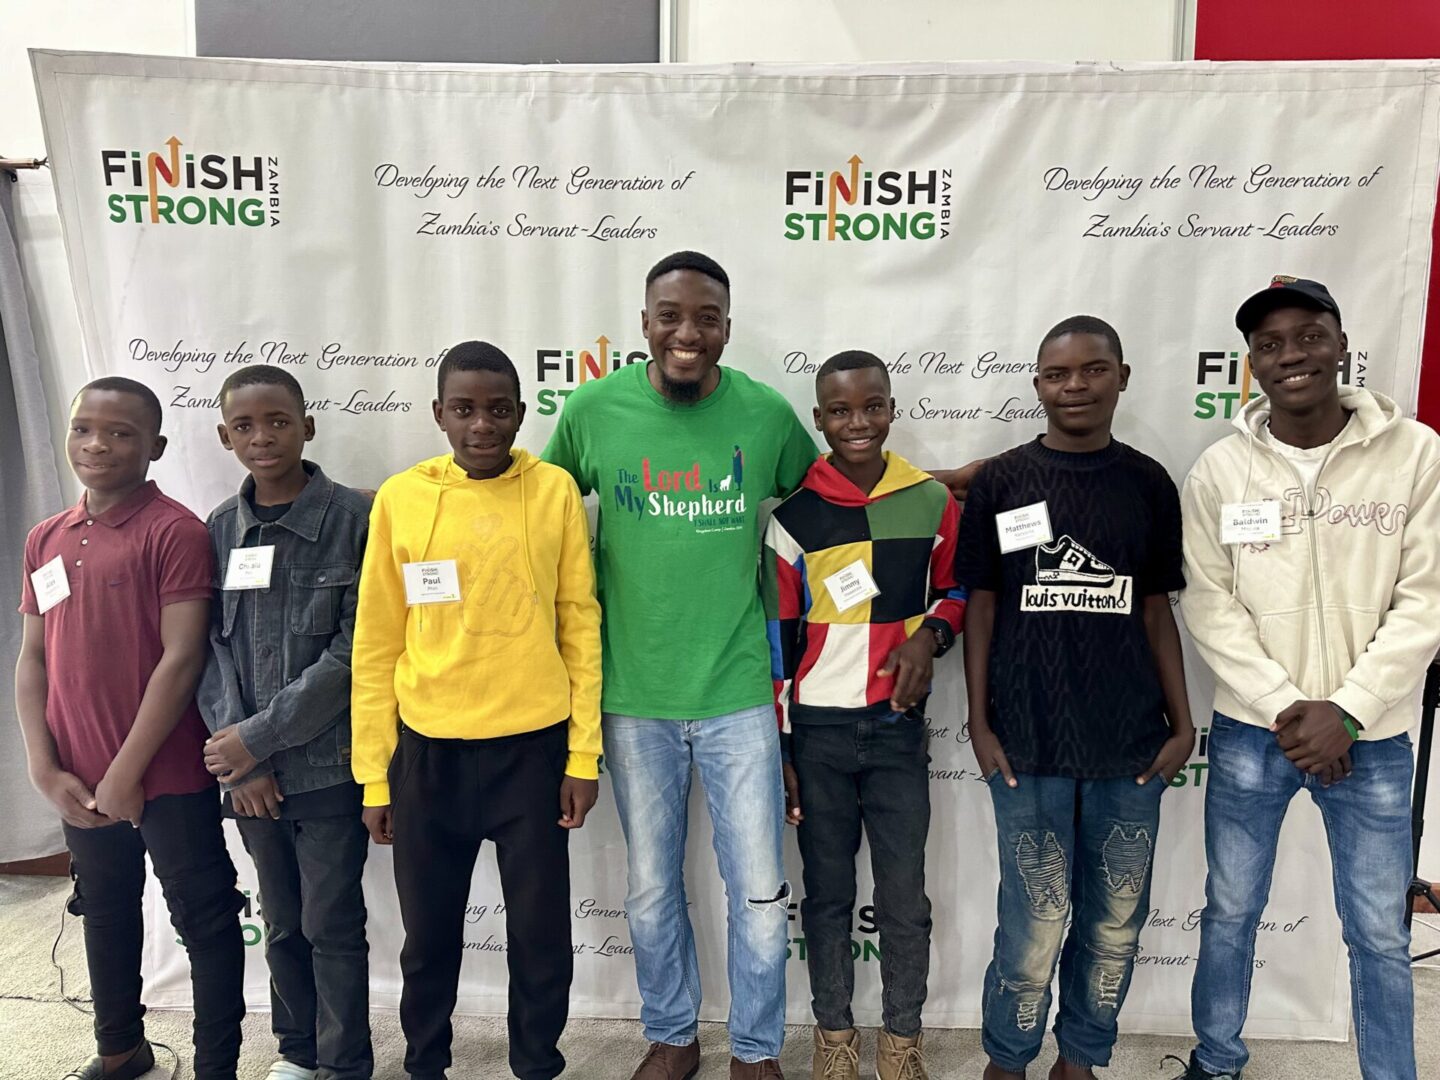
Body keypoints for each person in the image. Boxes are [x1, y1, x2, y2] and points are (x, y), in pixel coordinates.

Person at [543, 250, 818, 1080]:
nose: (687, 333)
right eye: (670, 316)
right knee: (652, 888)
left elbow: (835, 497)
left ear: (728, 328)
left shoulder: (766, 415)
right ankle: (672, 1035)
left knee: (760, 892)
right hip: (633, 695)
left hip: (739, 691)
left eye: (706, 318)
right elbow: (535, 507)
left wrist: (949, 484)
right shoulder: (591, 411)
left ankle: (757, 1049)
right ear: (645, 324)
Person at [1172, 278, 1440, 1080]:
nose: (1292, 355)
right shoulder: (1220, 470)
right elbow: (1209, 604)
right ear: (1252, 363)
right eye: (1270, 344)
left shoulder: (1416, 453)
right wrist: (1291, 708)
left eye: (1309, 336)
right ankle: (1217, 1061)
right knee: (1230, 910)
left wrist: (1349, 711)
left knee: (1380, 933)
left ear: (1342, 344)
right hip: (1257, 733)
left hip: (1375, 739)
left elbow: (1426, 598)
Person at [350, 341, 601, 1080]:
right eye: (464, 409)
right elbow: (376, 642)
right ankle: (425, 1063)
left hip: (533, 753)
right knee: (428, 939)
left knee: (540, 937)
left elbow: (580, 625)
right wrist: (375, 776)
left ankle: (537, 1064)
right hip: (428, 756)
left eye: (498, 410)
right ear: (439, 414)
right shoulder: (402, 498)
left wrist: (582, 756)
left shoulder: (553, 491)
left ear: (521, 413)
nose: (482, 424)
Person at [955, 317, 1194, 1080]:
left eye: (1093, 370)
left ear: (1123, 377)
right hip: (1026, 740)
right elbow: (981, 604)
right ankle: (1008, 1059)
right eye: (1058, 374)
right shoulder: (1003, 481)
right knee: (1034, 921)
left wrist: (1184, 723)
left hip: (1130, 743)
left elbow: (1155, 607)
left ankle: (1081, 1058)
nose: (1076, 386)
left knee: (1114, 925)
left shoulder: (1148, 483)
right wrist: (978, 722)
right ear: (1038, 386)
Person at [15, 377, 246, 1080]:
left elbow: (182, 659)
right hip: (76, 777)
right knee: (106, 910)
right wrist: (42, 767)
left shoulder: (174, 532)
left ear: (156, 447)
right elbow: (33, 657)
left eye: (120, 433)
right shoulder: (46, 537)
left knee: (205, 919)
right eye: (84, 429)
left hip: (165, 773)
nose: (97, 445)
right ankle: (120, 1048)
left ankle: (216, 1067)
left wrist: (125, 773)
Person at [762, 350, 966, 1080]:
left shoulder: (931, 502)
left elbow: (958, 590)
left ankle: (902, 1043)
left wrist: (930, 636)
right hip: (817, 734)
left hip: (896, 728)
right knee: (827, 896)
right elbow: (779, 645)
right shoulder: (793, 519)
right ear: (819, 420)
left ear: (891, 408)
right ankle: (834, 1039)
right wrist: (784, 747)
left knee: (904, 896)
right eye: (841, 411)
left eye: (872, 406)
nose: (859, 422)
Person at [197, 364, 373, 1080]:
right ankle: (298, 1051)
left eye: (277, 421)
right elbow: (208, 649)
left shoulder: (355, 519)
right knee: (281, 922)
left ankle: (344, 1063)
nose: (262, 437)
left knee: (333, 924)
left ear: (308, 425)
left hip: (329, 766)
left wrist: (259, 738)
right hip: (250, 777)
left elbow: (355, 651)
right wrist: (241, 757)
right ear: (224, 436)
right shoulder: (218, 530)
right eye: (244, 426)